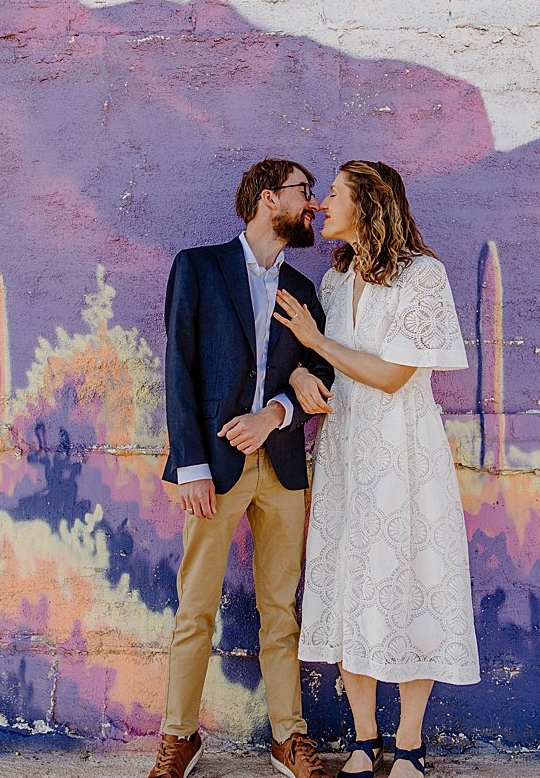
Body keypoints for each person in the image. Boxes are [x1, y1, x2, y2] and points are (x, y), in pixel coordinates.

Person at [274, 161, 480, 778]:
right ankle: (365, 741)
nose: (320, 204)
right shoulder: (333, 285)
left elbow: (395, 375)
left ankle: (410, 744)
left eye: (333, 193)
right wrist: (301, 372)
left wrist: (315, 344)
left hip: (405, 454)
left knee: (413, 584)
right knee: (349, 588)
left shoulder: (423, 276)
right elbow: (320, 366)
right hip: (344, 452)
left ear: (368, 203)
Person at [151, 159, 336, 778]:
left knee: (280, 609)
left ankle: (289, 736)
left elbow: (319, 375)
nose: (311, 204)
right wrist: (191, 466)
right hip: (214, 469)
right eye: (303, 192)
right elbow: (179, 372)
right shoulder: (199, 268)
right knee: (195, 607)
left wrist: (278, 413)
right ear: (267, 199)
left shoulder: (305, 292)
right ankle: (180, 736)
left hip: (281, 468)